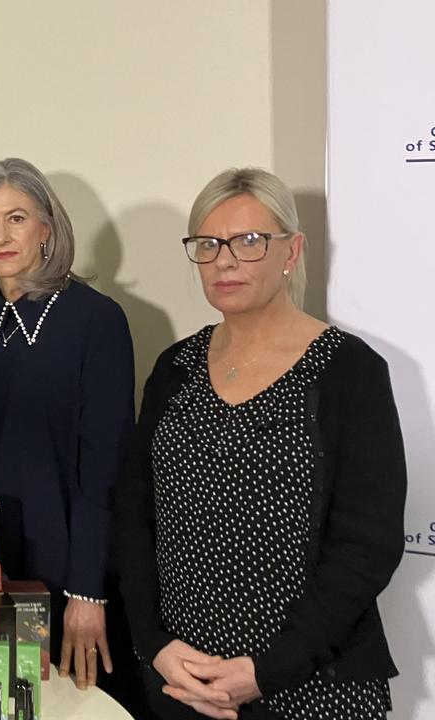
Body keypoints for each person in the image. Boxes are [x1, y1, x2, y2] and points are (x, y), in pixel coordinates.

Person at [116, 167, 405, 719]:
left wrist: (267, 670)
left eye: (249, 241)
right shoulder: (175, 368)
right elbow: (136, 515)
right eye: (208, 244)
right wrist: (154, 644)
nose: (225, 260)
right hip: (183, 679)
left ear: (291, 252)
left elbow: (368, 543)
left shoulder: (350, 372)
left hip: (315, 684)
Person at [0, 158, 138, 696]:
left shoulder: (97, 321)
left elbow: (107, 470)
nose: (0, 235)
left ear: (47, 227)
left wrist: (88, 594)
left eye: (16, 218)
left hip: (70, 580)